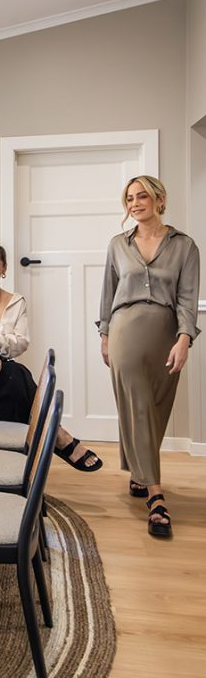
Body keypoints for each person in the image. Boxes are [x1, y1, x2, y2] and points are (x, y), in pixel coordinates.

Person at [0, 242, 103, 470]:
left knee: (13, 379)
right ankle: (57, 437)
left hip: (1, 372)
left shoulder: (16, 302)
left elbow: (21, 343)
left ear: (4, 268)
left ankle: (13, 462)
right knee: (17, 375)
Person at [98, 175, 200, 538]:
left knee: (155, 407)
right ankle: (155, 496)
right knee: (138, 404)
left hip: (166, 332)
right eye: (129, 198)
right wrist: (105, 334)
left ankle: (138, 475)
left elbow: (188, 299)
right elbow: (108, 292)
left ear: (160, 199)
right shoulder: (117, 245)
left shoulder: (185, 246)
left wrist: (184, 338)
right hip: (125, 328)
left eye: (142, 196)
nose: (135, 203)